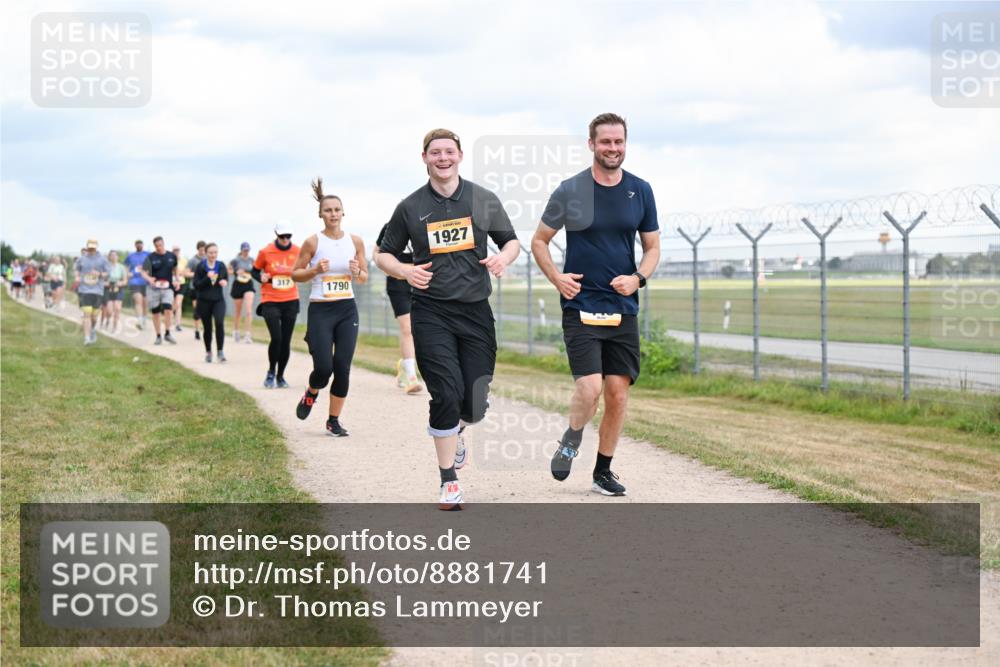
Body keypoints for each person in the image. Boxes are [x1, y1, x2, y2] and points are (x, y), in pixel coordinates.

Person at [376, 128, 520, 510]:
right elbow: (383, 254)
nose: (443, 158)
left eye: (449, 152)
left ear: (459, 156)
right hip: (431, 311)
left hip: (475, 311)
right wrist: (405, 272)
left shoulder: (482, 198)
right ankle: (448, 481)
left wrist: (503, 258)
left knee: (473, 403)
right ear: (423, 158)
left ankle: (458, 428)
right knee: (445, 392)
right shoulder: (410, 207)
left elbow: (511, 240)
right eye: (435, 152)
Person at [531, 113, 661, 497]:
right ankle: (571, 439)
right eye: (606, 142)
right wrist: (557, 277)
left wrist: (637, 278)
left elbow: (652, 248)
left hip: (623, 307)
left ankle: (602, 471)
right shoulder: (571, 190)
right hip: (581, 304)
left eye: (619, 142)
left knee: (618, 393)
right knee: (589, 388)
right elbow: (539, 240)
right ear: (591, 144)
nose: (613, 149)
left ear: (625, 144)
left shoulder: (641, 190)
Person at [291, 179, 368, 437]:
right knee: (324, 369)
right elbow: (295, 274)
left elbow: (364, 276)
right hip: (321, 311)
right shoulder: (312, 242)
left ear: (343, 212)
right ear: (320, 214)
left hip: (347, 309)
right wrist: (314, 270)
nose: (333, 214)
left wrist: (358, 272)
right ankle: (312, 392)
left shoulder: (355, 241)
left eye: (337, 209)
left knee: (343, 367)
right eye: (328, 210)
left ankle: (333, 420)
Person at [373, 224, 423, 394]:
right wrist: (386, 267)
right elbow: (376, 252)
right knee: (407, 328)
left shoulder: (425, 224)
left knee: (421, 328)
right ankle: (411, 377)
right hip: (398, 282)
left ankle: (404, 365)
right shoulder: (390, 226)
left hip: (421, 279)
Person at [253, 221, 300, 388]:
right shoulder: (265, 252)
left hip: (290, 299)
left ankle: (281, 376)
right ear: (276, 235)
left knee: (286, 340)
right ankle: (271, 371)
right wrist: (261, 278)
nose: (286, 239)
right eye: (282, 236)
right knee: (277, 338)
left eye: (289, 236)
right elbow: (254, 270)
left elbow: (304, 269)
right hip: (270, 299)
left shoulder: (297, 251)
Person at [192, 242, 229, 362]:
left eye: (215, 252)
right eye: (211, 253)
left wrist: (224, 281)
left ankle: (220, 352)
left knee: (219, 322)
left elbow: (225, 278)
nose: (213, 255)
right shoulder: (201, 266)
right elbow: (196, 285)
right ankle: (208, 351)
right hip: (204, 301)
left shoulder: (221, 265)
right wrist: (207, 278)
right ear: (206, 253)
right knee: (207, 327)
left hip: (218, 300)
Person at [139, 236, 179, 345]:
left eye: (160, 245)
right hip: (154, 288)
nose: (159, 248)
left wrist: (177, 280)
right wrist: (148, 279)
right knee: (155, 312)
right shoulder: (150, 257)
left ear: (163, 243)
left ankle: (167, 333)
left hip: (168, 287)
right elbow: (143, 272)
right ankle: (158, 336)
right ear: (154, 246)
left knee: (168, 309)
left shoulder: (172, 256)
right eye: (156, 246)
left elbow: (175, 270)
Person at [74, 240, 111, 345]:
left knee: (94, 316)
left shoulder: (103, 259)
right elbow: (76, 269)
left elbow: (108, 274)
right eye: (90, 248)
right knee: (87, 314)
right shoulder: (81, 259)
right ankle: (87, 338)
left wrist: (99, 274)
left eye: (93, 248)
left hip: (98, 290)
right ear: (87, 247)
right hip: (84, 290)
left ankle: (93, 329)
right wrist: (77, 276)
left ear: (96, 247)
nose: (91, 250)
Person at [230, 241, 256, 343]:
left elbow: (256, 270)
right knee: (238, 311)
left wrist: (251, 272)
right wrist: (236, 272)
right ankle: (236, 331)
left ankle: (248, 335)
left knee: (249, 310)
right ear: (241, 250)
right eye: (244, 250)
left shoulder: (252, 260)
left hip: (248, 285)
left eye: (248, 250)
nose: (246, 252)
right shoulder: (235, 260)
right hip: (238, 285)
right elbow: (228, 270)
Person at [125, 239, 150, 330]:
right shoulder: (130, 256)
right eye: (137, 244)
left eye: (140, 244)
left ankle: (144, 320)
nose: (139, 246)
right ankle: (139, 321)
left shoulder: (148, 254)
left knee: (145, 303)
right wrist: (127, 274)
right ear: (135, 245)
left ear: (143, 245)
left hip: (146, 281)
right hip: (134, 281)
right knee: (138, 300)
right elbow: (126, 267)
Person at [186, 241, 207, 340]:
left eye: (204, 250)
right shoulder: (193, 260)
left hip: (206, 288)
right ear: (198, 249)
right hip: (195, 288)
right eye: (201, 250)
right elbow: (186, 273)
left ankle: (206, 329)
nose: (203, 252)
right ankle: (197, 330)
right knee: (197, 310)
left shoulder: (208, 260)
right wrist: (196, 275)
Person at [102, 250, 127, 333]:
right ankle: (108, 319)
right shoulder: (105, 267)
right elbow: (101, 280)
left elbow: (125, 281)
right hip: (108, 289)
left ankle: (114, 327)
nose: (113, 257)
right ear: (109, 257)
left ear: (117, 257)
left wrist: (120, 283)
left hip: (118, 289)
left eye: (115, 255)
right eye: (111, 255)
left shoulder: (121, 267)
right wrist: (106, 283)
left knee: (117, 309)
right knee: (109, 310)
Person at [171, 245, 185, 331]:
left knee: (178, 304)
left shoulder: (183, 261)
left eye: (178, 250)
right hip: (171, 283)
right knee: (172, 304)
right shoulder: (170, 260)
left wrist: (180, 273)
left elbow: (185, 271)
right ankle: (169, 320)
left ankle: (178, 324)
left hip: (181, 283)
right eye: (175, 250)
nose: (176, 252)